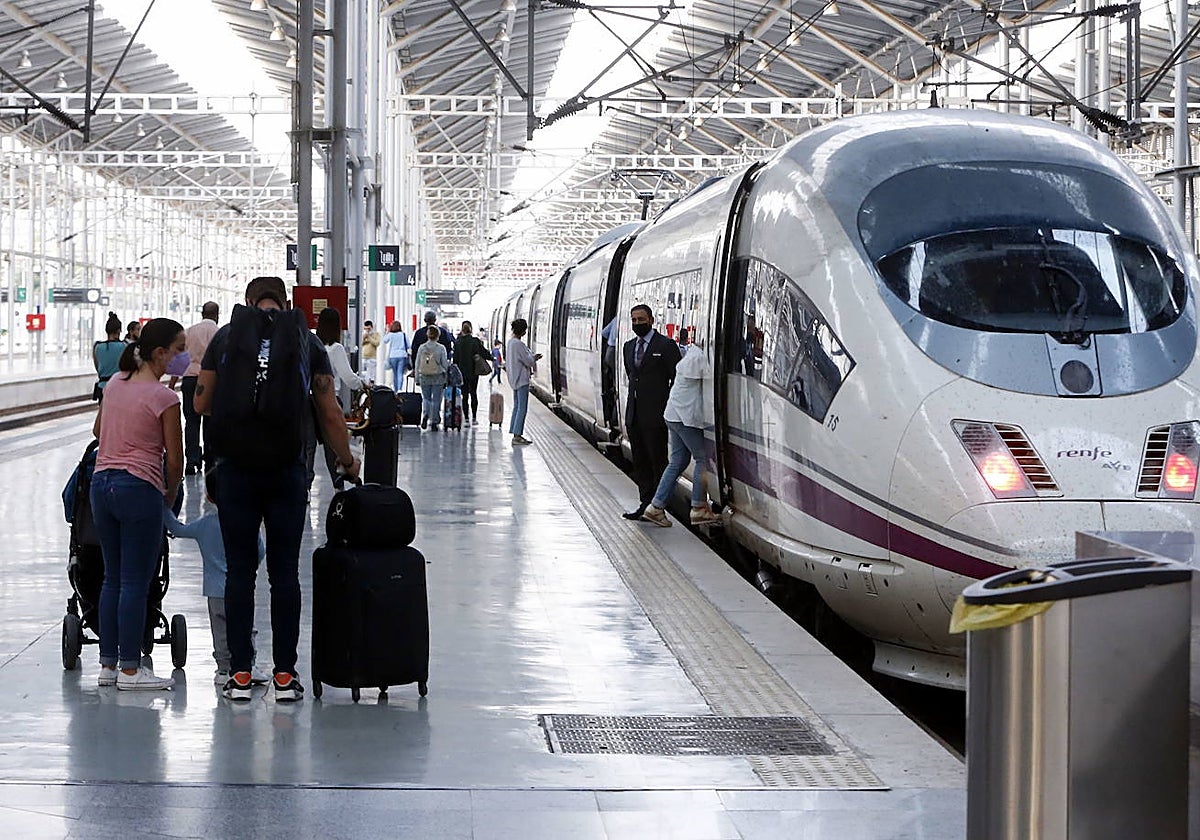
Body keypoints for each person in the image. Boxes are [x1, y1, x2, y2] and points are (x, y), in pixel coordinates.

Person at [194, 276, 361, 703]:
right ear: (286, 303)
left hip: (235, 472)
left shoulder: (227, 338)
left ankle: (241, 676)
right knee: (285, 573)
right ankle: (285, 676)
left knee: (239, 572)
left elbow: (200, 403)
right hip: (289, 472)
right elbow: (328, 408)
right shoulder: (307, 341)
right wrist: (345, 459)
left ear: (248, 302)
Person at [91, 318, 185, 691]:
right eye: (179, 350)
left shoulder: (115, 383)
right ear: (160, 353)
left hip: (102, 485)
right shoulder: (164, 398)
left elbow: (98, 431)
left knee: (112, 578)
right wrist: (169, 493)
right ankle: (132, 669)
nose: (183, 358)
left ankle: (108, 665)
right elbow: (175, 460)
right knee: (135, 581)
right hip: (138, 488)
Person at [164, 467, 268, 686]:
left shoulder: (204, 525)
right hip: (241, 586)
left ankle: (223, 669)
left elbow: (177, 529)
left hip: (214, 591)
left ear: (209, 497)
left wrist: (164, 507)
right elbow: (260, 550)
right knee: (247, 627)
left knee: (220, 632)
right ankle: (248, 665)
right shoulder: (247, 522)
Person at [641, 339, 721, 527]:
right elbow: (710, 383)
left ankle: (656, 507)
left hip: (674, 414)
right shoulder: (698, 358)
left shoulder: (692, 355)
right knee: (703, 459)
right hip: (683, 417)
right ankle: (699, 508)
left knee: (678, 460)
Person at [621, 305, 681, 521]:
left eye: (641, 319)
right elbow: (631, 375)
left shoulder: (665, 345)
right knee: (640, 462)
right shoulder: (628, 347)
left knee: (658, 461)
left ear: (651, 320)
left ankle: (659, 506)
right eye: (634, 320)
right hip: (634, 415)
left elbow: (676, 377)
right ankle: (644, 504)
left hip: (656, 415)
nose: (637, 324)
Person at [316, 307, 368, 480]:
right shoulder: (336, 348)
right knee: (335, 445)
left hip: (308, 401)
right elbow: (347, 377)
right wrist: (364, 385)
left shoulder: (313, 344)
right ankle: (339, 483)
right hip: (330, 398)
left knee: (307, 448)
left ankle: (305, 488)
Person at [181, 302, 219, 475]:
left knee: (191, 420)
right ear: (217, 314)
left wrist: (174, 381)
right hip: (210, 380)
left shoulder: (189, 331)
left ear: (202, 313)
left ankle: (191, 460)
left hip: (190, 378)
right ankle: (210, 460)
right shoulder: (219, 333)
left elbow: (181, 357)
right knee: (210, 421)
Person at [505, 318, 540, 446]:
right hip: (522, 380)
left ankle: (515, 431)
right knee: (522, 408)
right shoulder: (518, 344)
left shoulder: (510, 343)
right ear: (523, 331)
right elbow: (528, 361)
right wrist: (534, 358)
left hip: (514, 379)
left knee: (516, 406)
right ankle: (518, 435)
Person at [414, 325, 449, 431]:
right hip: (438, 377)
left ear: (428, 335)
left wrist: (417, 378)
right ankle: (434, 421)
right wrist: (446, 375)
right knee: (436, 400)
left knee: (426, 398)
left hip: (424, 375)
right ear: (438, 335)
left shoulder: (422, 347)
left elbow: (417, 363)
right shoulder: (441, 348)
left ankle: (425, 415)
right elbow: (444, 364)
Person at [453, 321, 488, 425]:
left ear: (462, 330)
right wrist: (492, 358)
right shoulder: (475, 341)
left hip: (462, 374)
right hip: (474, 372)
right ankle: (474, 418)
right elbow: (483, 352)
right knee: (473, 394)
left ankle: (467, 419)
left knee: (464, 396)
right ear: (471, 329)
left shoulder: (458, 342)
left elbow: (455, 359)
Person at [92, 312, 124, 402]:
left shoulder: (97, 346)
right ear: (119, 330)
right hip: (120, 387)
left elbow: (97, 367)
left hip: (102, 387)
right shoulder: (124, 346)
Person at [382, 320, 410, 390]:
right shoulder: (403, 334)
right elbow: (409, 345)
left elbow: (384, 340)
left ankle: (396, 389)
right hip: (402, 355)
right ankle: (400, 389)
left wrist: (387, 331)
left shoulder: (391, 335)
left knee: (395, 374)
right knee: (400, 373)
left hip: (393, 356)